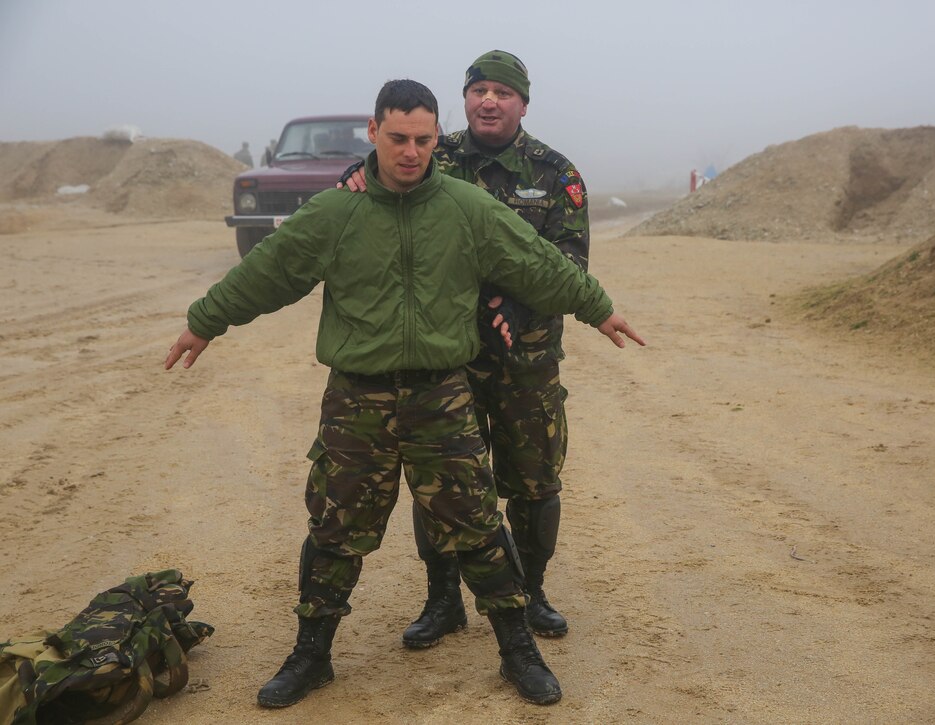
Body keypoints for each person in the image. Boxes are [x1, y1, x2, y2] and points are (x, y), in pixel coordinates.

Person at [164, 79, 644, 709]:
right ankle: (311, 655)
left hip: (440, 396)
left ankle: (517, 651)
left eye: (422, 139)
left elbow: (537, 263)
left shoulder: (467, 208)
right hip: (356, 401)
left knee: (477, 525)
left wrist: (597, 308)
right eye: (398, 138)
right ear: (374, 133)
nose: (411, 151)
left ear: (434, 137)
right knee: (336, 530)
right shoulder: (339, 211)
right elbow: (269, 270)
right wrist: (206, 320)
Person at [341, 50, 590, 645]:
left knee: (534, 480)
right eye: (479, 89)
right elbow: (378, 175)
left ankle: (530, 593)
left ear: (522, 104)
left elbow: (571, 263)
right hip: (443, 355)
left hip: (525, 359)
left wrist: (519, 302)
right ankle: (443, 599)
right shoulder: (435, 153)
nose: (489, 100)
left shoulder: (557, 174)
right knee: (441, 480)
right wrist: (349, 175)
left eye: (503, 92)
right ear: (465, 99)